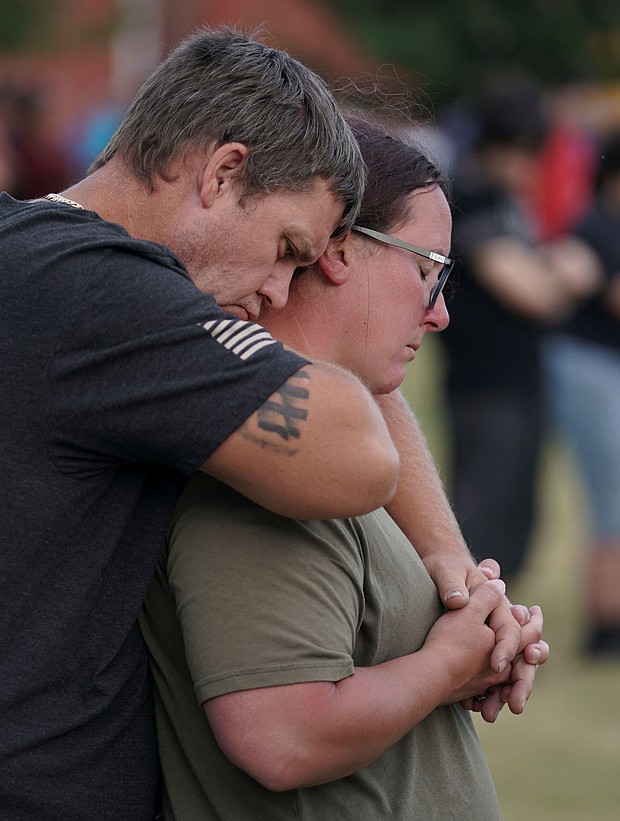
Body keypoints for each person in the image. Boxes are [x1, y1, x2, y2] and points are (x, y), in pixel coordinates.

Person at [0, 28, 403, 821]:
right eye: (288, 249)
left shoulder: (28, 254)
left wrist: (452, 561)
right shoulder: (100, 292)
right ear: (223, 172)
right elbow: (354, 456)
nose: (282, 294)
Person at [140, 118, 549, 820]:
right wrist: (447, 663)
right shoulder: (274, 472)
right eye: (428, 271)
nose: (440, 311)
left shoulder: (323, 446)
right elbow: (280, 734)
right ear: (338, 247)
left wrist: (473, 619)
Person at [438, 77, 600, 581]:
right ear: (499, 146)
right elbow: (533, 292)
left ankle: (501, 623)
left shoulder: (510, 201)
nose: (531, 170)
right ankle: (466, 625)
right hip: (483, 387)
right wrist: (568, 273)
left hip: (523, 380)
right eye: (526, 155)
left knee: (521, 517)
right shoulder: (468, 196)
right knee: (480, 519)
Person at [544, 131, 620, 657]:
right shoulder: (596, 227)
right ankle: (605, 627)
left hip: (600, 367)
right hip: (588, 368)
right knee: (611, 497)